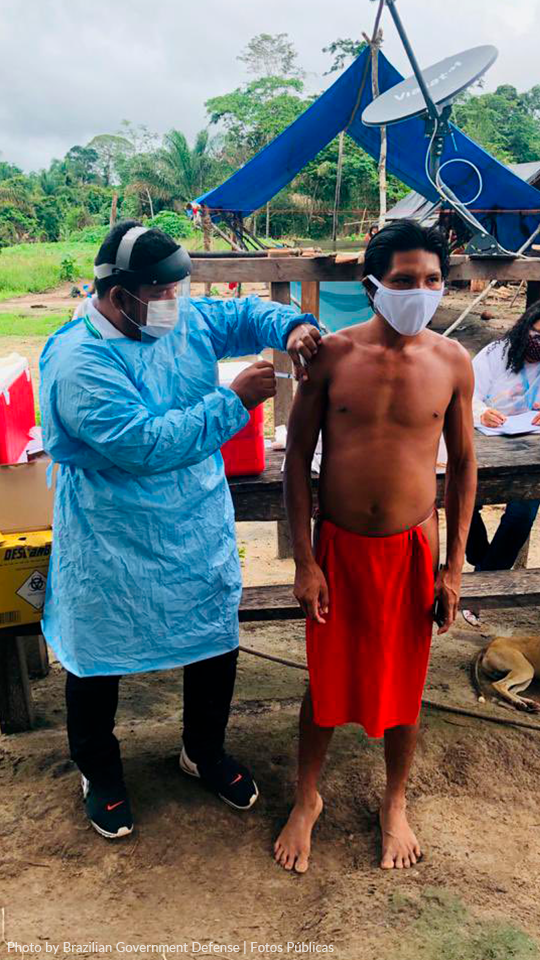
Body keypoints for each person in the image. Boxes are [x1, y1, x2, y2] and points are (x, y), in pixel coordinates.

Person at [39, 220, 321, 840]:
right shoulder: (78, 360)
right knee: (97, 656)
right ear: (118, 295)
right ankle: (100, 772)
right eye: (163, 294)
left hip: (192, 523)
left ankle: (204, 750)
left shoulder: (174, 314)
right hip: (113, 533)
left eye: (178, 291)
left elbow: (242, 314)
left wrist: (291, 325)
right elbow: (145, 444)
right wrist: (235, 400)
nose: (176, 304)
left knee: (212, 635)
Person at [274, 219, 477, 873]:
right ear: (371, 287)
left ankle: (395, 802)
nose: (418, 291)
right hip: (339, 550)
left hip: (412, 550)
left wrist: (453, 569)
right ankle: (308, 797)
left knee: (406, 684)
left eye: (431, 281)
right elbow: (298, 455)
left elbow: (465, 464)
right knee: (326, 680)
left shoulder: (453, 362)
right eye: (402, 280)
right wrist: (305, 561)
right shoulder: (331, 356)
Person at [463, 302, 540, 625]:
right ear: (525, 329)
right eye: (537, 334)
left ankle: (482, 585)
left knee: (523, 511)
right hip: (483, 438)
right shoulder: (496, 354)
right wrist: (482, 412)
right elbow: (467, 393)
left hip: (528, 444)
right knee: (467, 504)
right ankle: (479, 557)